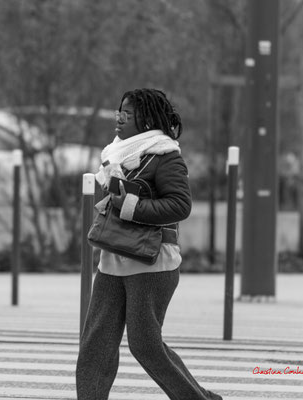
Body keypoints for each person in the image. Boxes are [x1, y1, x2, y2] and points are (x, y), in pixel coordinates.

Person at [75, 88, 222, 400]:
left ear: (145, 121)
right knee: (96, 341)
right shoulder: (115, 155)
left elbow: (180, 205)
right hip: (115, 257)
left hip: (153, 262)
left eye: (126, 113)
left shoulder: (166, 157)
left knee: (145, 345)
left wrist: (130, 205)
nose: (119, 117)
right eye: (119, 111)